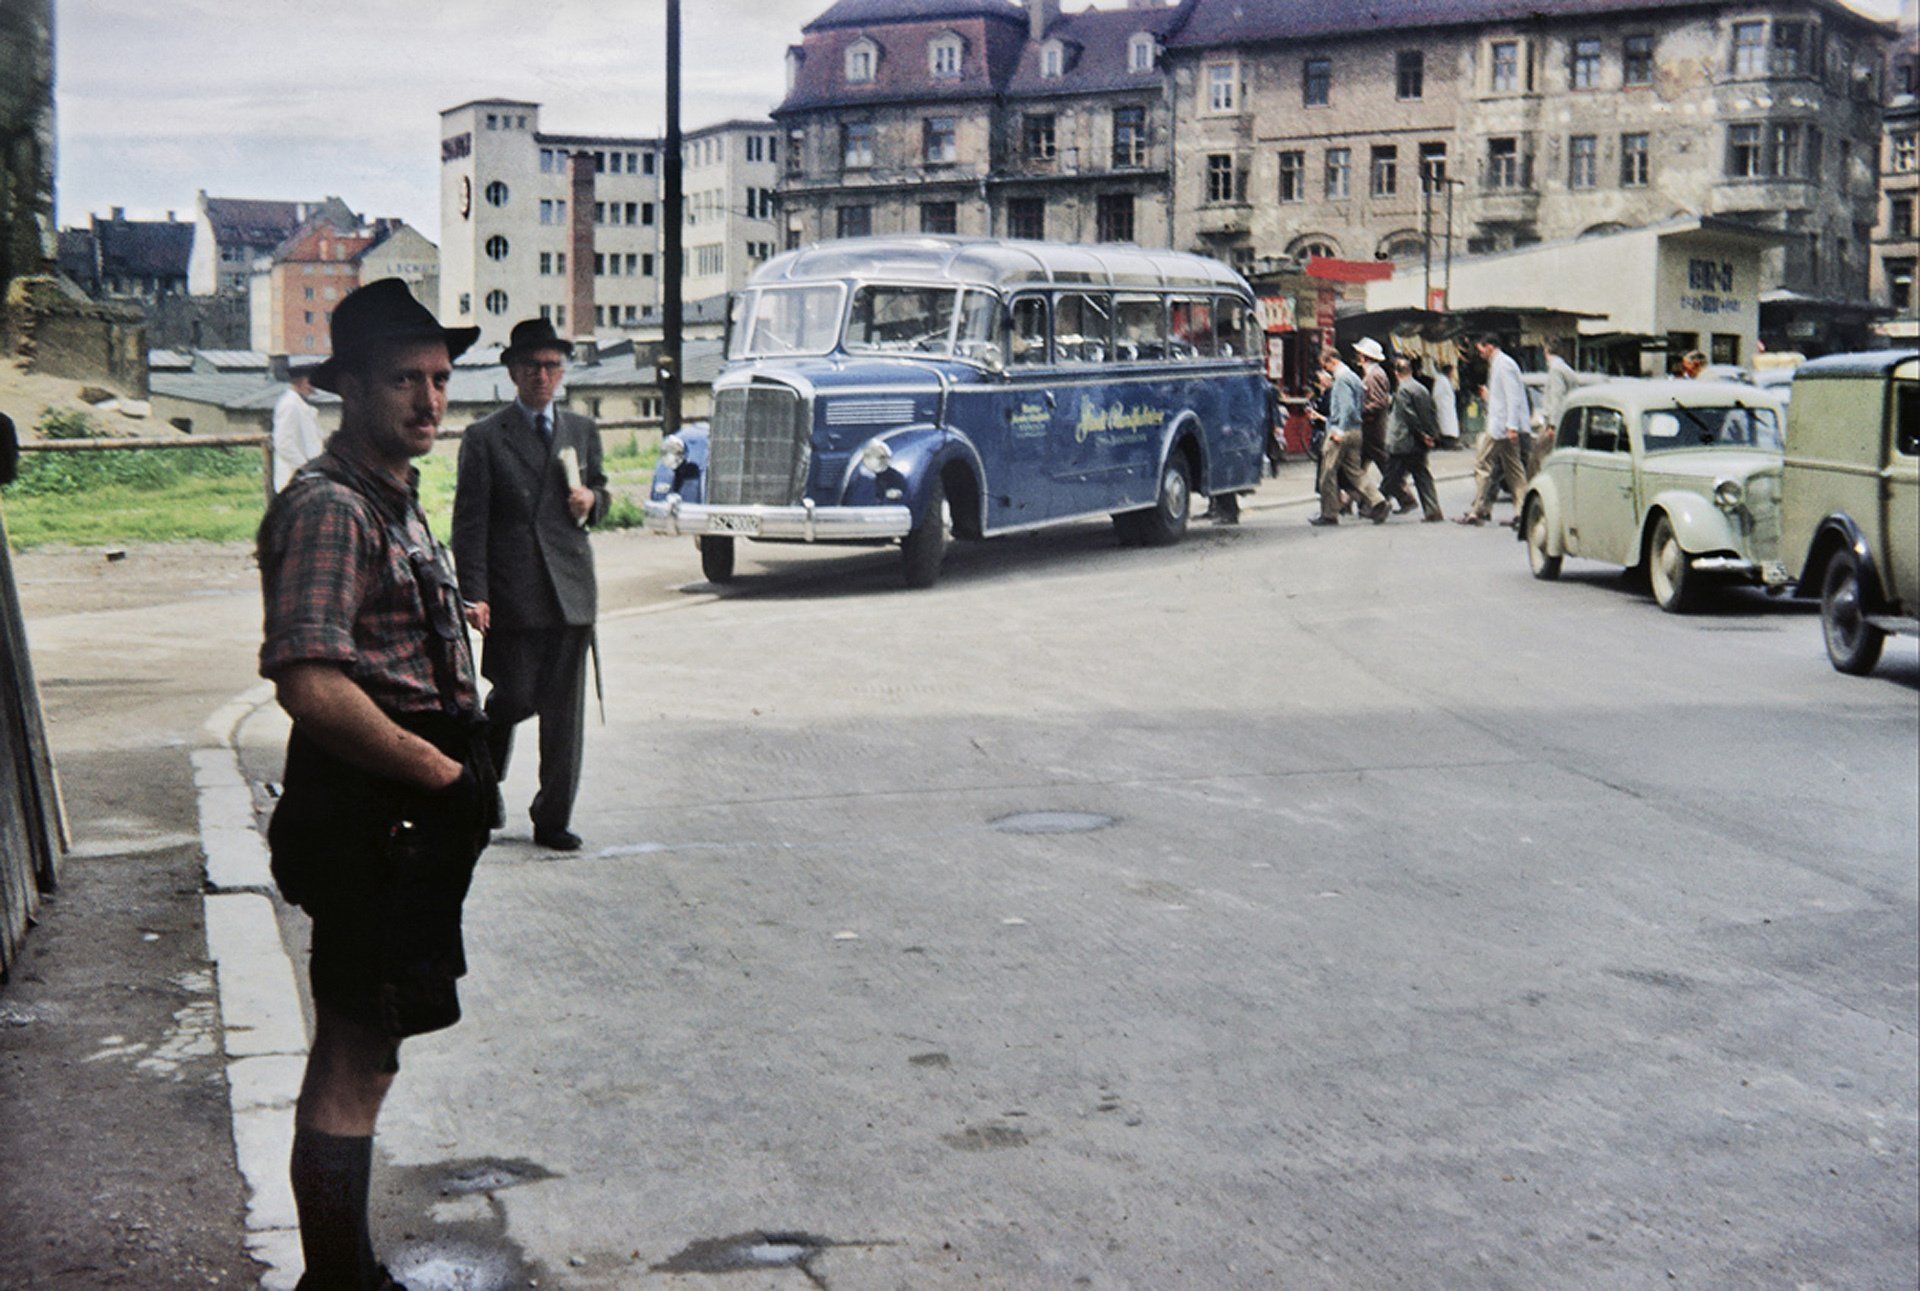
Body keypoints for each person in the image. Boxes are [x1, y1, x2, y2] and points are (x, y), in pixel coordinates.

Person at [256, 278, 493, 1291]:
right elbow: (310, 683)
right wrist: (442, 774)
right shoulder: (330, 509)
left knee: (374, 1042)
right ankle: (338, 1281)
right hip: (375, 813)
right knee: (355, 1050)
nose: (430, 399)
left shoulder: (391, 497)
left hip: (404, 812)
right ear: (344, 386)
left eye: (441, 378)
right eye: (404, 378)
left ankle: (340, 1273)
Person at [452, 317, 609, 853]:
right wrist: (473, 593)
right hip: (514, 595)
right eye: (531, 367)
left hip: (570, 594)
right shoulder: (484, 437)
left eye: (551, 366)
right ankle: (480, 787)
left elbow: (602, 497)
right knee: (513, 697)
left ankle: (552, 817)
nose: (542, 376)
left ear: (562, 372)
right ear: (514, 372)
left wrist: (594, 502)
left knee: (565, 717)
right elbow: (469, 524)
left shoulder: (582, 431)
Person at [1456, 334, 1530, 526]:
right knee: (1514, 469)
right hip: (1503, 425)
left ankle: (1478, 510)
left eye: (1481, 349)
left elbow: (1513, 398)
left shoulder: (1504, 364)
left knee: (1482, 464)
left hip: (1501, 427)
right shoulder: (1499, 364)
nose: (1480, 353)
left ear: (1489, 346)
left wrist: (1512, 426)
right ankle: (1521, 511)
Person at [1310, 348, 1390, 527]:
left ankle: (1329, 513)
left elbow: (1346, 408)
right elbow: (1360, 402)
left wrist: (1339, 430)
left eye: (1326, 365)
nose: (1326, 370)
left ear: (1332, 360)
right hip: (1356, 431)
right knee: (1355, 472)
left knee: (1327, 473)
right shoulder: (1354, 377)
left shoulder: (1342, 379)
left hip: (1342, 431)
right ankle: (1378, 501)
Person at [1379, 356, 1444, 522]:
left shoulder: (1403, 391)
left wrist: (1422, 433)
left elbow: (1409, 416)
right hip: (1417, 443)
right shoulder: (1421, 389)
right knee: (1422, 476)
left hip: (1403, 441)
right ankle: (1433, 510)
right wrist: (1430, 434)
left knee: (1391, 477)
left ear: (1396, 373)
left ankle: (1377, 505)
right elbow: (1429, 413)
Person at [272, 363, 327, 492]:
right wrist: (306, 469)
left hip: (307, 480)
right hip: (294, 479)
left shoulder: (301, 405)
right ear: (303, 382)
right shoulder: (290, 405)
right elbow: (284, 444)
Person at [1431, 362, 1461, 448]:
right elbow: (1436, 396)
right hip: (1444, 408)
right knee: (1446, 426)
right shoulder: (1441, 380)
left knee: (1449, 425)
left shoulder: (1445, 381)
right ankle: (1447, 443)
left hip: (1448, 408)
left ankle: (1451, 441)